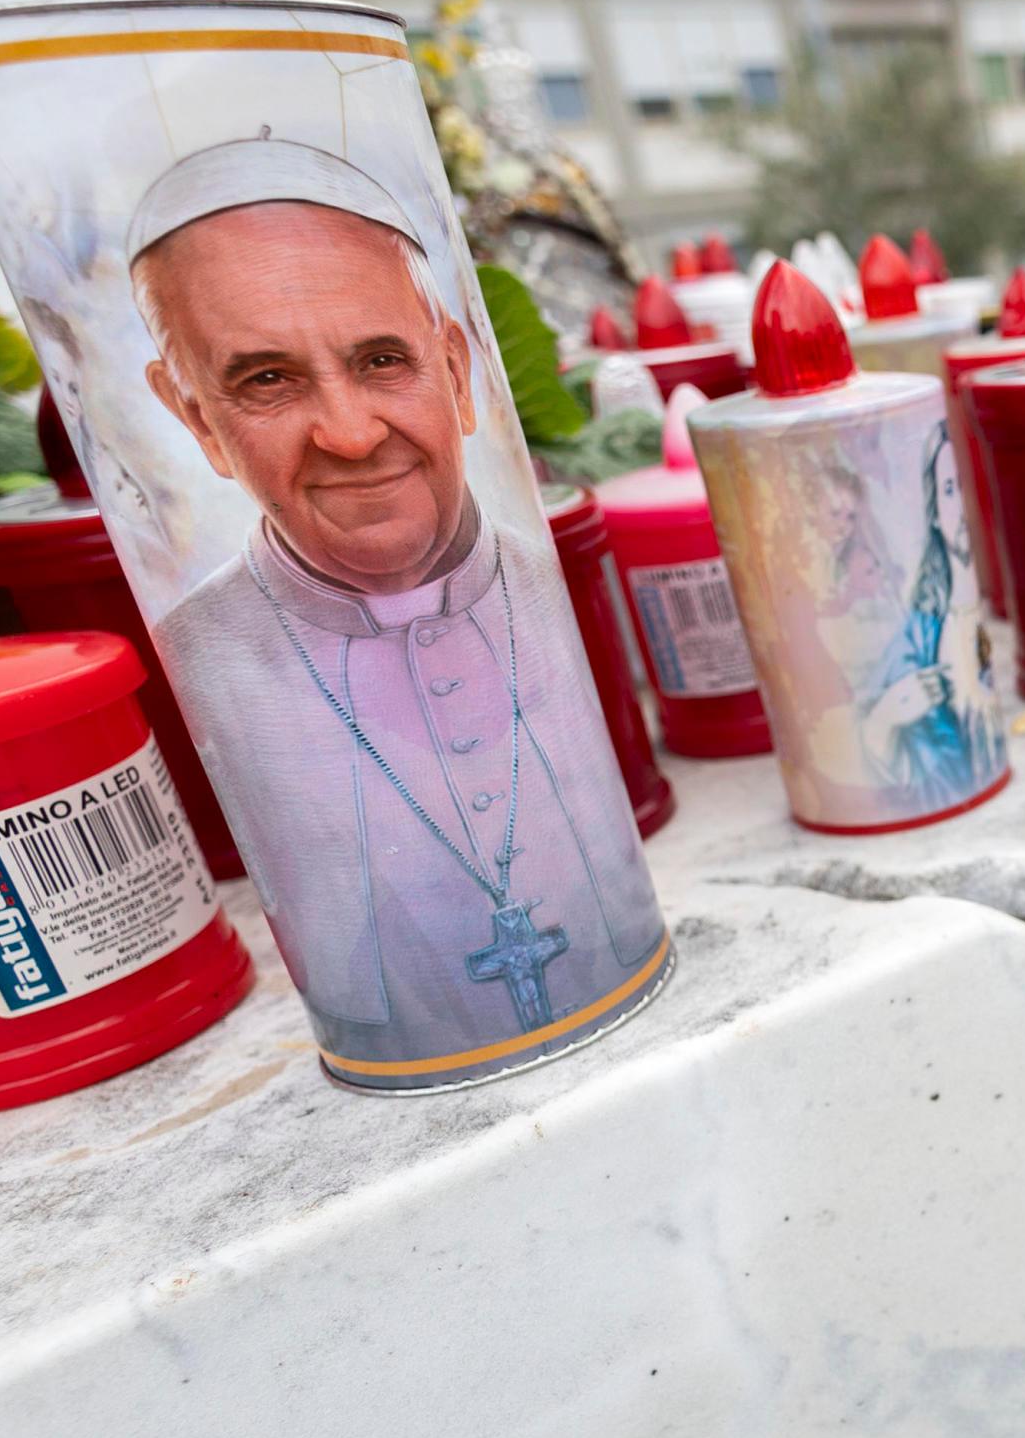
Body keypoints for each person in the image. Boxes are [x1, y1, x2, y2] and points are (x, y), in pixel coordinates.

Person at [134, 136, 666, 1068]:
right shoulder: (194, 655)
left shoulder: (554, 585)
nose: (348, 433)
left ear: (456, 374)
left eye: (383, 360)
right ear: (196, 420)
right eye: (267, 380)